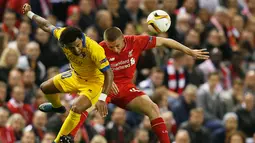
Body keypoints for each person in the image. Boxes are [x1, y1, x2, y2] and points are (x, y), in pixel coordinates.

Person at [22, 3, 114, 143]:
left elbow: (109, 74)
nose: (76, 50)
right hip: (75, 76)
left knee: (76, 107)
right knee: (45, 88)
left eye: (78, 45)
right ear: (63, 44)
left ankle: (62, 139)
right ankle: (57, 107)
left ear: (81, 38)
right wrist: (29, 13)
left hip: (94, 83)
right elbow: (46, 25)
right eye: (72, 48)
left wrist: (102, 98)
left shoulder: (94, 49)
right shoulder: (62, 35)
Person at [99, 27, 209, 143]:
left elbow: (164, 41)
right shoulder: (99, 48)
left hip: (125, 87)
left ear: (122, 38)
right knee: (81, 108)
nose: (115, 50)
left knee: (153, 108)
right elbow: (85, 70)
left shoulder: (135, 41)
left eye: (117, 45)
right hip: (103, 87)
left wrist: (188, 51)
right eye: (111, 47)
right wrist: (105, 81)